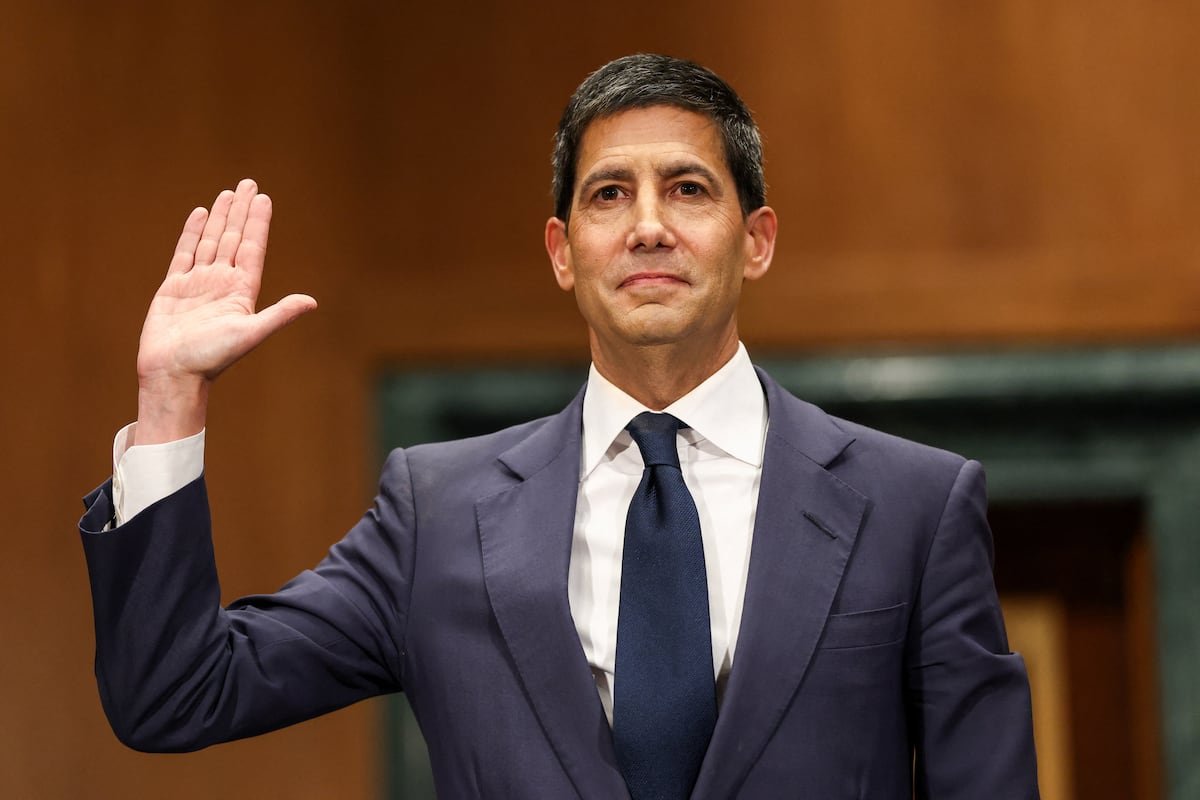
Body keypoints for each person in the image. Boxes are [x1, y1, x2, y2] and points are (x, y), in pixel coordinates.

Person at [79, 54, 1039, 798]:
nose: (648, 225)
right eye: (608, 194)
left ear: (756, 241)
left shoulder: (913, 505)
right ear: (562, 253)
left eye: (689, 188)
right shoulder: (437, 513)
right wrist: (170, 400)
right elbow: (176, 694)